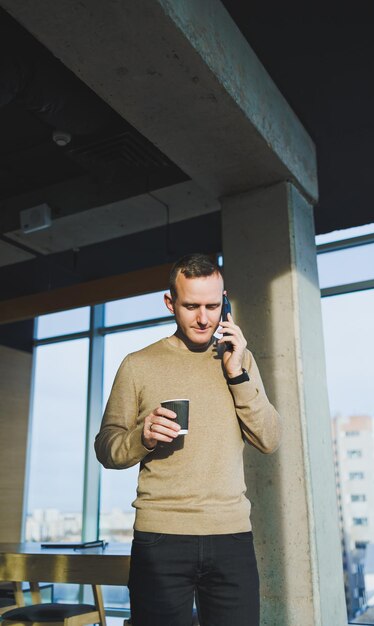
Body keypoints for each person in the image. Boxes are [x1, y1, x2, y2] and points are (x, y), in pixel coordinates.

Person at [95, 253, 281, 626]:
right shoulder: (138, 364)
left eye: (213, 306)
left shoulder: (239, 361)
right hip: (161, 537)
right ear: (170, 303)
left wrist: (236, 375)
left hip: (231, 534)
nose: (203, 318)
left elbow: (269, 439)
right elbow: (106, 447)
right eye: (191, 305)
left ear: (225, 301)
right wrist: (141, 437)